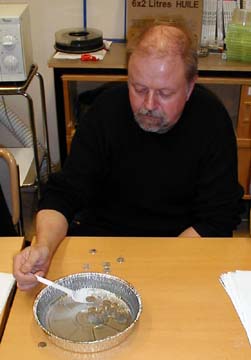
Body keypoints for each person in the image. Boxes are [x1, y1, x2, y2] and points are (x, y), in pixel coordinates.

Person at [13, 22, 244, 291]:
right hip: (103, 246)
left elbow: (217, 220)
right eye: (139, 88)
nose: (148, 105)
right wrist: (43, 247)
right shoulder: (105, 112)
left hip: (182, 249)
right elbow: (63, 194)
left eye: (165, 93)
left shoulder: (211, 121)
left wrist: (158, 269)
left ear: (190, 87)